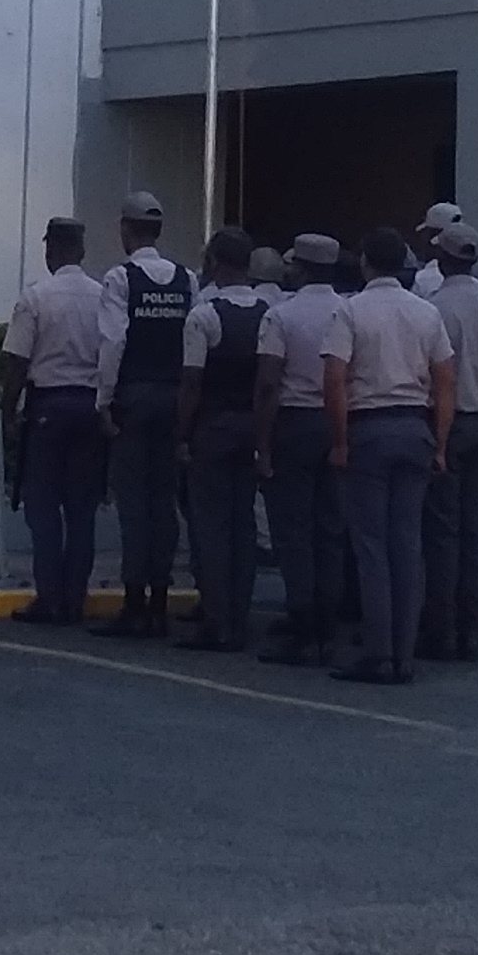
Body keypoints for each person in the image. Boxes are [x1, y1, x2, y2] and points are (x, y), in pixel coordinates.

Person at [321, 227, 454, 684]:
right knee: (408, 544)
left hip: (369, 428)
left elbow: (335, 378)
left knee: (372, 547)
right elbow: (445, 379)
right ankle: (405, 652)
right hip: (414, 425)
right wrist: (439, 441)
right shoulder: (426, 313)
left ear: (364, 263)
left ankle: (378, 651)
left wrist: (340, 441)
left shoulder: (351, 310)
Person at [0, 217, 109, 627]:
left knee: (43, 507)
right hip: (91, 406)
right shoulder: (103, 297)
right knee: (82, 509)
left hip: (47, 407)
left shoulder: (36, 298)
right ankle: (75, 600)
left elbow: (16, 362)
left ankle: (49, 597)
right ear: (80, 251)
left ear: (51, 251)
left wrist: (8, 412)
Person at [94, 191, 194, 636]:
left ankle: (135, 603)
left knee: (134, 505)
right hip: (175, 399)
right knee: (164, 503)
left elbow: (114, 343)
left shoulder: (120, 279)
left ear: (126, 229)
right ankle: (159, 599)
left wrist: (103, 401)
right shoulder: (186, 279)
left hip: (134, 398)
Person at [253, 232, 352, 665]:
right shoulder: (349, 310)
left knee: (293, 532)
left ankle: (302, 626)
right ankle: (328, 628)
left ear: (304, 268)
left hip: (294, 423)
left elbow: (269, 381)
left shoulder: (281, 315)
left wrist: (263, 443)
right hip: (338, 421)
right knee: (330, 530)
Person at [173, 227, 272, 652]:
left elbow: (192, 382)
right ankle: (240, 615)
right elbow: (270, 380)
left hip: (212, 427)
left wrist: (182, 435)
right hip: (252, 424)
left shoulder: (203, 314)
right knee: (243, 524)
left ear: (213, 262)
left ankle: (217, 620)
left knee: (211, 526)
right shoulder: (268, 312)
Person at [420, 222, 478, 661]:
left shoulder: (435, 308)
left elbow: (432, 377)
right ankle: (471, 627)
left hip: (448, 424)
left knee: (443, 531)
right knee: (477, 531)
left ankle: (441, 628)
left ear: (443, 258)